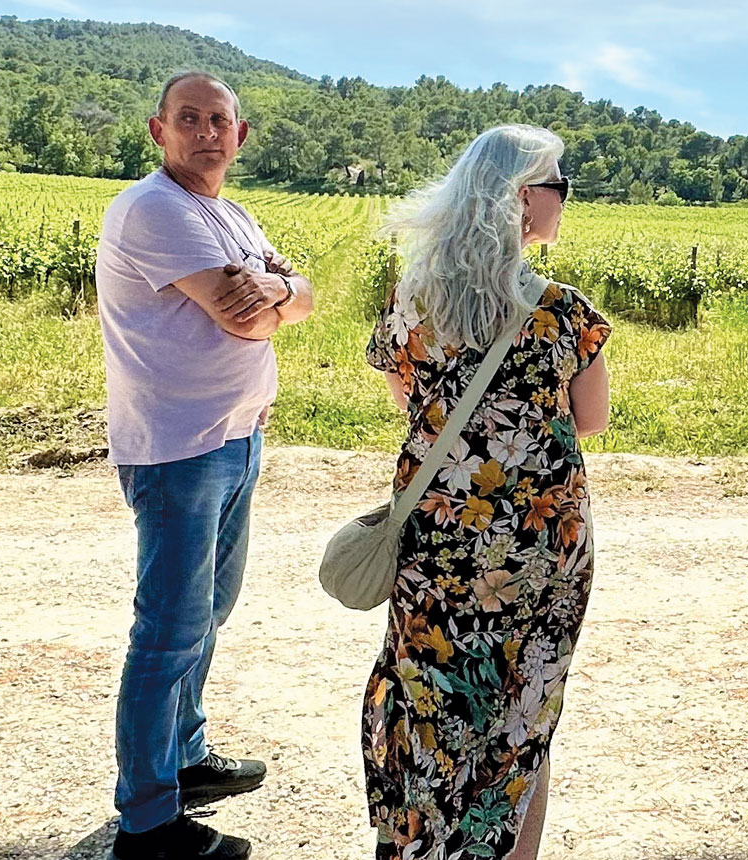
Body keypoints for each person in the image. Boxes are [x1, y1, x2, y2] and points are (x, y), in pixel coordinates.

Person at [361, 124, 610, 860]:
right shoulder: (566, 312)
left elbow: (407, 398)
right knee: (521, 718)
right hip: (540, 551)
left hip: (436, 544)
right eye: (558, 183)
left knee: (428, 701)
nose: (565, 197)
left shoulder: (412, 299)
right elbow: (590, 420)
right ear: (523, 199)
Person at [96, 71, 314, 860]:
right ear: (159, 131)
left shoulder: (231, 212)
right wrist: (275, 299)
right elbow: (246, 318)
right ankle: (147, 823)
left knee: (206, 616)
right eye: (189, 118)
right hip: (179, 447)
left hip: (234, 436)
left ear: (240, 134)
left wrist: (282, 288)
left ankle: (183, 757)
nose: (207, 131)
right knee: (168, 632)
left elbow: (301, 295)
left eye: (219, 119)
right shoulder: (154, 208)